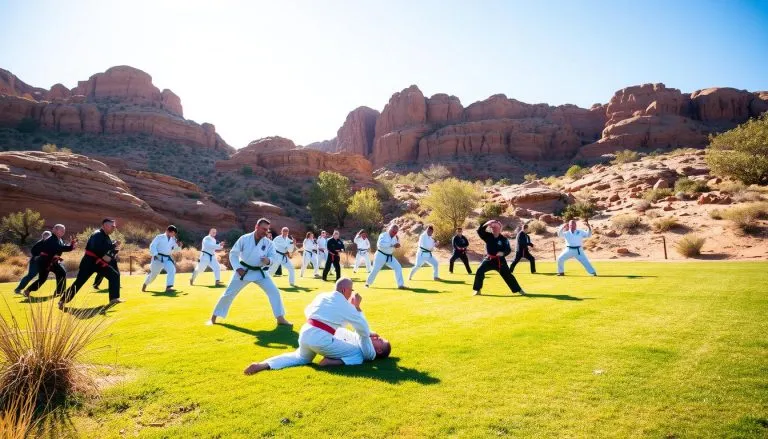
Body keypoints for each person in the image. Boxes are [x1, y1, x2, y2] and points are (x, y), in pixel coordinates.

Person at [243, 278, 391, 374]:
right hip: (321, 339)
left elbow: (307, 311)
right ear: (345, 290)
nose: (351, 293)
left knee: (300, 357)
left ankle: (263, 365)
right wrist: (357, 308)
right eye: (351, 290)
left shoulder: (322, 296)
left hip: (306, 331)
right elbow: (363, 330)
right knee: (358, 355)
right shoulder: (345, 305)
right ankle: (331, 362)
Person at [208, 218, 292, 326]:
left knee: (274, 292)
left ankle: (280, 318)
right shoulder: (244, 238)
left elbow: (274, 258)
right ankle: (213, 317)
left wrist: (268, 261)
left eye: (267, 229)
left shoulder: (269, 243)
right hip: (244, 271)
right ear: (256, 227)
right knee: (229, 294)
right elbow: (233, 253)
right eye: (263, 229)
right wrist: (238, 268)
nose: (265, 231)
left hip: (259, 272)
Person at [60, 219, 122, 309]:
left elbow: (105, 249)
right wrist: (113, 245)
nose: (114, 228)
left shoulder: (106, 236)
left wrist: (113, 248)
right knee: (79, 282)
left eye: (114, 227)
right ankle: (62, 300)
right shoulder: (97, 234)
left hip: (99, 263)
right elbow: (97, 248)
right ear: (105, 225)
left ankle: (114, 298)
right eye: (112, 226)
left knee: (114, 275)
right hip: (89, 263)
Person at [472, 220, 526, 296]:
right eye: (493, 228)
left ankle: (519, 290)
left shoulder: (504, 239)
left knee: (508, 275)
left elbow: (508, 249)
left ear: (499, 229)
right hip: (489, 259)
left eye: (496, 228)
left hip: (500, 261)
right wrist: (487, 223)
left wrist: (503, 253)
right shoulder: (487, 236)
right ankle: (477, 290)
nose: (494, 229)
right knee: (479, 270)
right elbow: (480, 231)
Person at [23, 224, 77, 298]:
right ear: (55, 230)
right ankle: (28, 290)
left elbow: (62, 247)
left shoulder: (59, 239)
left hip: (54, 261)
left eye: (64, 230)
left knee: (62, 273)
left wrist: (71, 246)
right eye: (61, 230)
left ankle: (59, 292)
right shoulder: (51, 239)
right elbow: (59, 248)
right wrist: (70, 247)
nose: (63, 232)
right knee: (42, 279)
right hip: (45, 262)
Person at [142, 225, 183, 293]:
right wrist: (155, 254)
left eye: (174, 234)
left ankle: (169, 287)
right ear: (168, 231)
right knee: (154, 274)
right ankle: (145, 283)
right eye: (173, 233)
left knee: (172, 269)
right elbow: (152, 245)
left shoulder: (173, 239)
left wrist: (179, 246)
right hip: (157, 258)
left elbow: (175, 249)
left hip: (167, 258)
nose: (174, 235)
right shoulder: (159, 237)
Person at [366, 224, 405, 289]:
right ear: (390, 229)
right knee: (375, 269)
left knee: (398, 267)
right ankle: (367, 283)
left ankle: (400, 285)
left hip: (389, 256)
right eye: (393, 231)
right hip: (380, 255)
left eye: (396, 232)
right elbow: (380, 244)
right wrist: (392, 245)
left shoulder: (396, 237)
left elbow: (397, 245)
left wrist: (398, 243)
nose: (394, 233)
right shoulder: (383, 235)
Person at [14, 230, 52, 294]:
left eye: (48, 236)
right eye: (46, 236)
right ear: (43, 236)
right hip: (35, 262)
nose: (47, 237)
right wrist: (40, 254)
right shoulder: (39, 243)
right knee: (31, 275)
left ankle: (29, 290)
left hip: (43, 263)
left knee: (42, 278)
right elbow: (33, 251)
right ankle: (18, 289)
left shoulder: (50, 244)